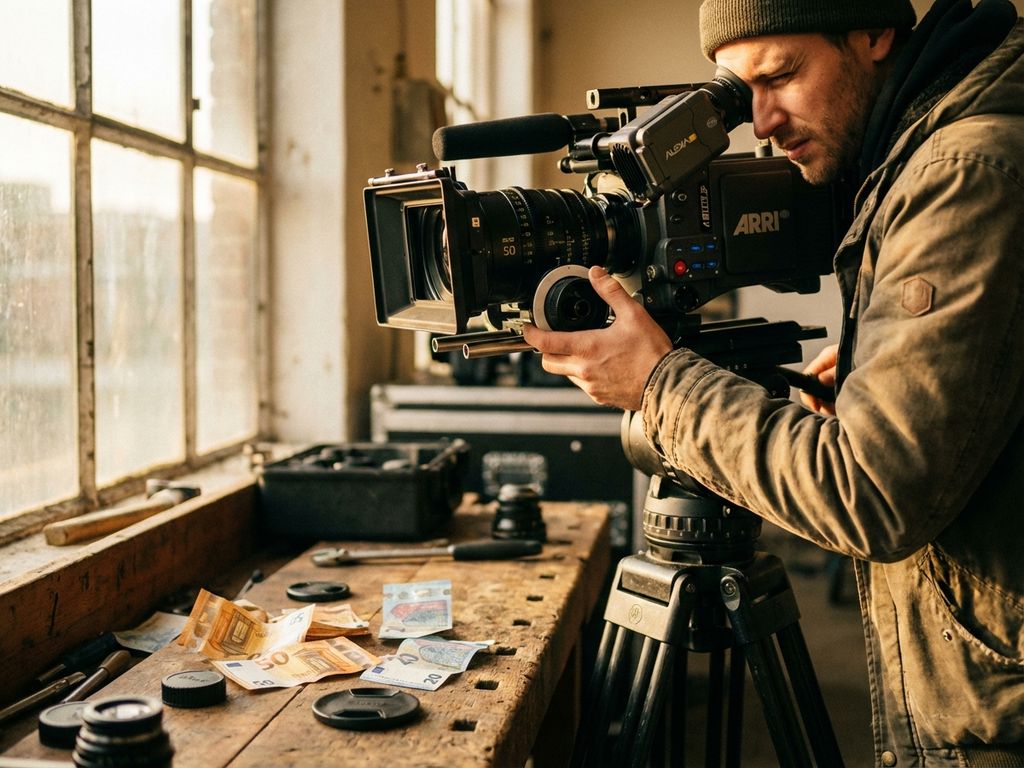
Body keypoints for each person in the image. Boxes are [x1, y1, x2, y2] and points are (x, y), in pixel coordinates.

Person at [522, 0, 1024, 764]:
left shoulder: (963, 173)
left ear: (873, 33)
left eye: (781, 76)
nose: (760, 122)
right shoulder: (929, 153)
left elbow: (871, 495)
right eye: (735, 93)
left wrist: (660, 385)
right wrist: (877, 386)